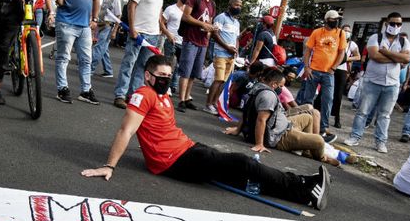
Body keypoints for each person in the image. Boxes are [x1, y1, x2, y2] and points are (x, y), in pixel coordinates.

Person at [82, 55, 330, 210]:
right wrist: (110, 166)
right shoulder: (144, 95)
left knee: (240, 176)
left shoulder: (162, 94)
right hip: (174, 161)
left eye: (169, 76)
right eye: (161, 76)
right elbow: (126, 130)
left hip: (187, 149)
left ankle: (304, 189)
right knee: (243, 163)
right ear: (148, 75)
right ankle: (303, 187)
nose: (166, 80)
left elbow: (157, 128)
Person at [225, 67, 343, 167]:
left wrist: (237, 129)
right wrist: (259, 144)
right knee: (319, 140)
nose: (282, 88)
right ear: (273, 84)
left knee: (309, 118)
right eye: (280, 85)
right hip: (278, 137)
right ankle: (321, 158)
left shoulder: (257, 87)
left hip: (282, 125)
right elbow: (261, 120)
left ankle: (307, 151)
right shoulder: (268, 96)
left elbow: (247, 111)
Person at [344, 12, 410, 153]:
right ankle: (355, 136)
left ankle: (380, 142)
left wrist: (386, 52)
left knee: (385, 115)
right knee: (363, 111)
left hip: (392, 84)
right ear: (387, 23)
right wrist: (397, 58)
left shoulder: (404, 41)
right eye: (393, 23)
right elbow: (375, 56)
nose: (395, 26)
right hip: (372, 82)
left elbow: (406, 59)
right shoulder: (376, 37)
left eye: (399, 24)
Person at [48, 0, 100, 105]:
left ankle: (86, 91)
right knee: (63, 58)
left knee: (86, 60)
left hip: (85, 26)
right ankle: (62, 89)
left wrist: (95, 18)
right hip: (66, 22)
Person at [113, 0, 169, 108]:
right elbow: (132, 5)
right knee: (128, 63)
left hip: (153, 35)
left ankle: (133, 96)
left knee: (143, 67)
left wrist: (163, 31)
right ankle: (120, 95)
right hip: (138, 32)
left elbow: (158, 12)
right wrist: (132, 29)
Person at [297, 10, 346, 140]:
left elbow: (341, 53)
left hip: (329, 73)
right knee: (307, 98)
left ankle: (323, 128)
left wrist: (334, 68)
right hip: (313, 70)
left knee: (327, 100)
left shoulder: (341, 33)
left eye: (337, 19)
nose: (336, 21)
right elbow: (308, 50)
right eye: (334, 19)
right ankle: (305, 123)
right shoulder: (317, 32)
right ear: (327, 19)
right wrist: (307, 67)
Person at [176, 0, 218, 112]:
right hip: (190, 39)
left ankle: (187, 97)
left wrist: (211, 28)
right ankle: (181, 100)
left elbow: (210, 20)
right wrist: (202, 24)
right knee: (186, 71)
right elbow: (185, 16)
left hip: (203, 41)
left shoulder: (212, 3)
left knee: (194, 73)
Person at [204, 0, 241, 114]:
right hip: (221, 53)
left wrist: (236, 50)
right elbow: (215, 34)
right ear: (229, 5)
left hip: (231, 56)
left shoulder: (236, 22)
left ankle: (215, 103)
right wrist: (227, 47)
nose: (238, 7)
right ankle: (208, 104)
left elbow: (236, 39)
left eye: (240, 6)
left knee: (223, 81)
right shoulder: (221, 17)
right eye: (236, 5)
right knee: (218, 79)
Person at [331, 24, 360, 128]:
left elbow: (358, 56)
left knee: (338, 96)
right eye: (345, 30)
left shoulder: (352, 44)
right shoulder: (334, 40)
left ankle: (337, 118)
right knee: (325, 94)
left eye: (349, 31)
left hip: (342, 71)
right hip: (331, 69)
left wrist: (346, 58)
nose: (347, 32)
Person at [161, 0, 189, 93]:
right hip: (171, 41)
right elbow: (161, 22)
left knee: (180, 66)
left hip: (184, 42)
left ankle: (174, 85)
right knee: (169, 64)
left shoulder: (188, 11)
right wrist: (168, 34)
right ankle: (166, 86)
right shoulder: (170, 9)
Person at [92, 0, 120, 78]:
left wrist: (114, 31)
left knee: (99, 48)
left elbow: (118, 16)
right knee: (103, 49)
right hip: (102, 25)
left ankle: (90, 68)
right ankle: (108, 71)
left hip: (109, 26)